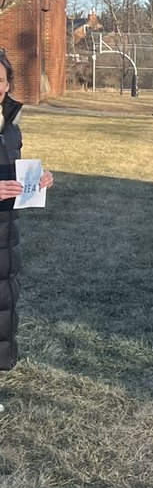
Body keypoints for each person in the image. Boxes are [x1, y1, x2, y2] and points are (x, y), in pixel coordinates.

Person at [0, 48, 54, 382]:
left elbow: (15, 171)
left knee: (4, 312)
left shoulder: (11, 125)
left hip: (6, 238)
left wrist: (38, 180)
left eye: (1, 79)